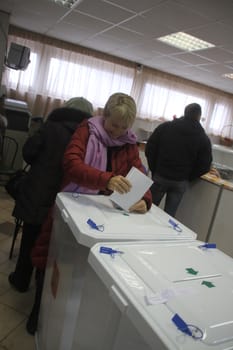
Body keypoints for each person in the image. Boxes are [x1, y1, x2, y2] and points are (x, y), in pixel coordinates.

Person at [28, 92, 152, 335]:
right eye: (114, 124)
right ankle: (38, 314)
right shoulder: (87, 130)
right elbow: (72, 164)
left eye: (124, 127)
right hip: (71, 204)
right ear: (104, 115)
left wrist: (145, 200)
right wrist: (107, 180)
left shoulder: (128, 143)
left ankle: (67, 321)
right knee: (52, 261)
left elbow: (139, 174)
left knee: (82, 271)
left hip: (102, 215)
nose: (117, 131)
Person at [8, 97, 93, 295]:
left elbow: (28, 153)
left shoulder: (51, 126)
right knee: (53, 246)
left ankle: (21, 279)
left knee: (30, 238)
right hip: (68, 199)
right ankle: (43, 292)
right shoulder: (88, 136)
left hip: (38, 193)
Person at [145, 103, 212, 217]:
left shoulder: (166, 127)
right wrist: (188, 177)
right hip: (180, 181)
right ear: (199, 116)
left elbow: (150, 148)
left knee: (147, 209)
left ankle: (142, 233)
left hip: (161, 175)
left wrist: (154, 169)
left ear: (185, 112)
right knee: (169, 218)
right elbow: (205, 164)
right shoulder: (203, 138)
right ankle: (164, 235)